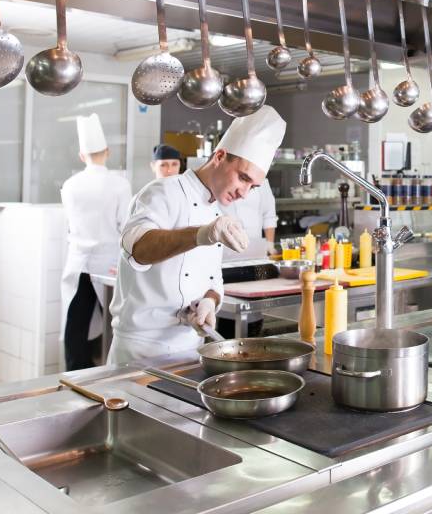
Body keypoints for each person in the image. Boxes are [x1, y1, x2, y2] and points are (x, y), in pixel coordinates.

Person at [108, 106, 287, 364]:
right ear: (220, 155)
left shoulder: (217, 211)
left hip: (191, 349)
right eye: (243, 178)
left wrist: (209, 303)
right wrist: (202, 234)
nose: (244, 193)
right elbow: (137, 249)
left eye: (253, 186)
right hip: (140, 352)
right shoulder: (162, 192)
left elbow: (213, 281)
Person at [60, 114, 132, 370]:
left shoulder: (69, 185)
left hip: (78, 261)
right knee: (114, 322)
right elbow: (126, 226)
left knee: (75, 321)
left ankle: (74, 372)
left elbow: (70, 223)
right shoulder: (120, 185)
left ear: (82, 156)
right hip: (108, 264)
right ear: (108, 152)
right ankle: (111, 371)